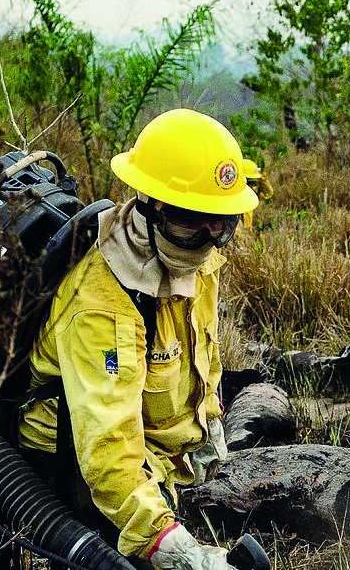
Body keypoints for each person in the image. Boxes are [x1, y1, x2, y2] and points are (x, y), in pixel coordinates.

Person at [16, 109, 259, 569]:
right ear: (149, 205)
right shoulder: (100, 307)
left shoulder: (196, 260)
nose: (209, 237)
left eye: (221, 222)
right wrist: (169, 542)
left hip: (149, 453)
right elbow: (108, 455)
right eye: (192, 218)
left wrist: (208, 421)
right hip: (75, 465)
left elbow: (202, 351)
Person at [239, 158, 274, 230]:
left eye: (253, 183)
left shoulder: (251, 193)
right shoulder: (232, 196)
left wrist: (263, 181)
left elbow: (267, 194)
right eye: (249, 183)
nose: (251, 186)